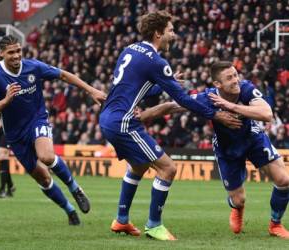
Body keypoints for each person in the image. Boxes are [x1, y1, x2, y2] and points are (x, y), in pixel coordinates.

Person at [99, 11, 241, 240]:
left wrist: (168, 80)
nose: (173, 36)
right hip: (123, 122)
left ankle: (121, 221)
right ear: (158, 33)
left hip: (108, 116)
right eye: (170, 31)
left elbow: (137, 87)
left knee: (138, 166)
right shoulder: (156, 61)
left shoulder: (131, 49)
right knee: (168, 168)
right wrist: (215, 114)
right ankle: (154, 225)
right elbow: (183, 100)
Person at [137, 61, 289, 239]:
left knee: (284, 180)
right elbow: (172, 106)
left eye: (235, 75)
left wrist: (230, 106)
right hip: (227, 149)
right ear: (217, 84)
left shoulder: (246, 89)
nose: (235, 80)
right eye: (230, 77)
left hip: (253, 139)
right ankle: (236, 207)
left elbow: (266, 114)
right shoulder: (207, 98)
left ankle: (275, 224)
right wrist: (142, 116)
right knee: (239, 199)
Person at [0, 35, 107, 225]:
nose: (16, 55)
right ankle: (70, 211)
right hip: (15, 135)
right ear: (1, 53)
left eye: (18, 50)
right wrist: (5, 101)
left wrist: (91, 90)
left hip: (37, 120)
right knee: (43, 179)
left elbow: (63, 75)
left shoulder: (33, 66)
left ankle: (75, 188)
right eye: (11, 52)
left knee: (46, 156)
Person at [0, 117, 15, 198]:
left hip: (6, 130)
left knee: (3, 155)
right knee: (2, 161)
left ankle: (2, 190)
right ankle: (10, 185)